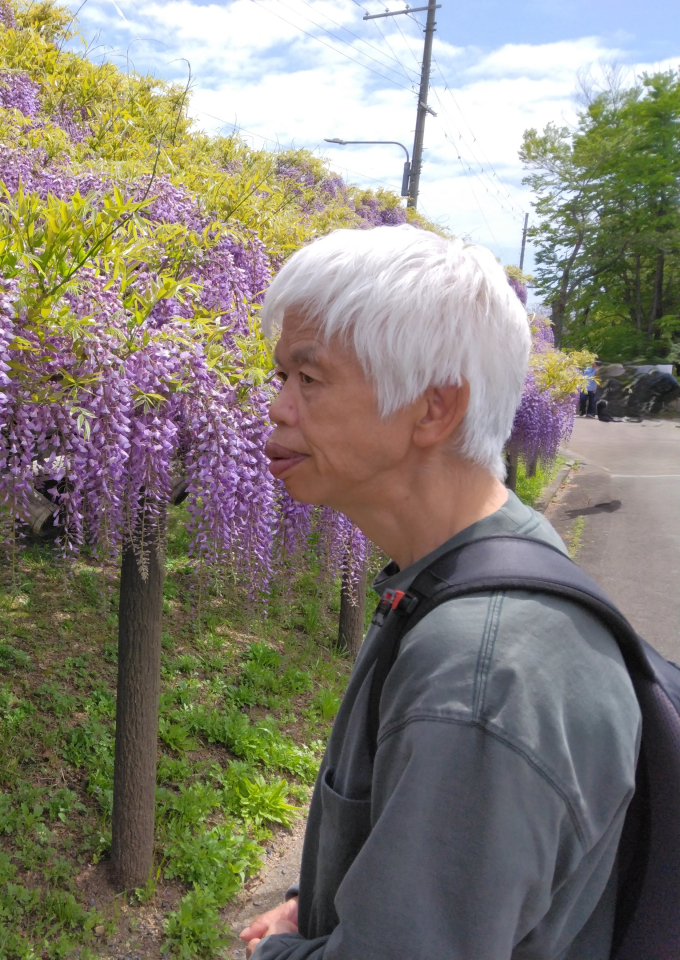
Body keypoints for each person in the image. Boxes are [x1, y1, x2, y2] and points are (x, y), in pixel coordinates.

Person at [240, 226, 640, 959]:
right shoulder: (467, 570)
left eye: (308, 378)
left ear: (434, 408)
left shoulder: (480, 674)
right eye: (280, 379)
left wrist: (270, 954)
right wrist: (318, 907)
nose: (277, 408)